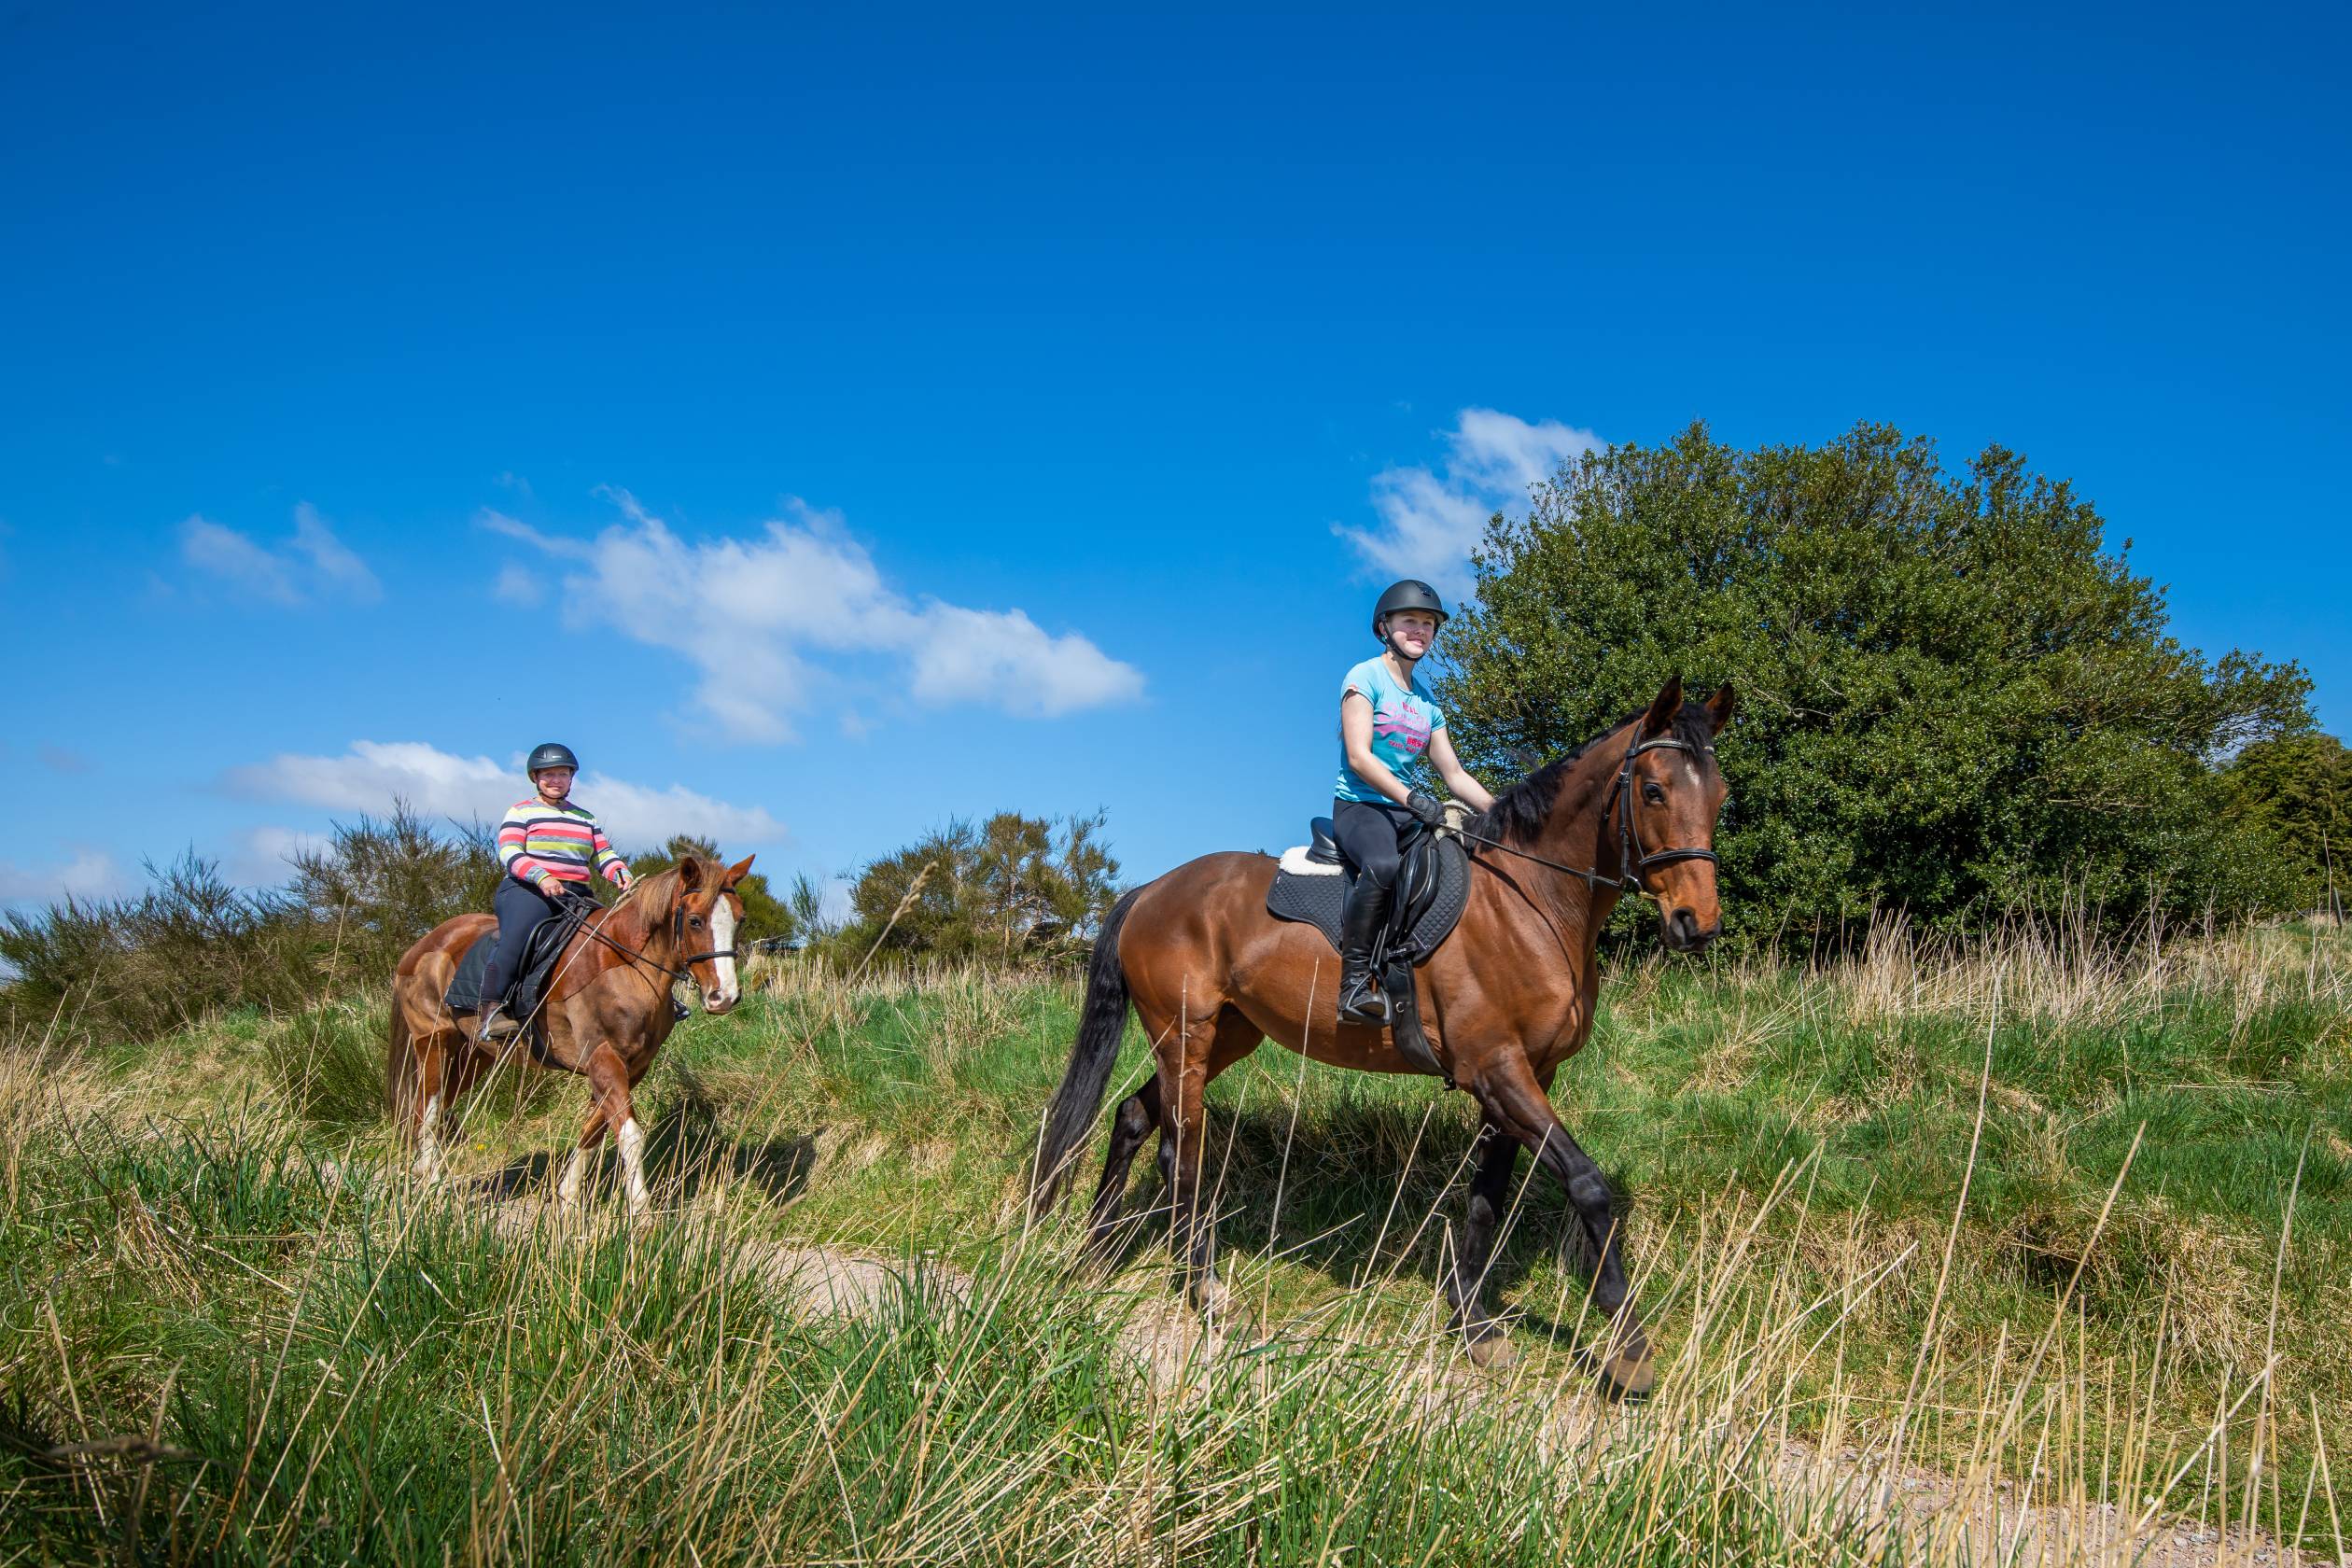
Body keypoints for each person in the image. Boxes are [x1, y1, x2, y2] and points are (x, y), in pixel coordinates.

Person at [1332, 581, 1496, 1026]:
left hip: (1406, 811)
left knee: (1453, 864)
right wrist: (1412, 797)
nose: (1420, 631)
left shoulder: (1427, 703)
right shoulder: (1363, 678)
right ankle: (1353, 986)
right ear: (1385, 626)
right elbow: (1359, 757)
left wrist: (1503, 814)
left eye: (1427, 624)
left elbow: (1455, 775)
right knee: (1384, 865)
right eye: (1410, 621)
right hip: (1361, 807)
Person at [474, 742, 632, 1043]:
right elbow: (510, 852)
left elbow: (603, 855)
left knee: (616, 935)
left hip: (575, 894)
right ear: (536, 778)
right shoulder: (521, 812)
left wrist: (621, 875)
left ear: (571, 778)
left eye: (562, 774)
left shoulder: (585, 818)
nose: (555, 780)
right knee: (517, 937)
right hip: (528, 890)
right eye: (548, 774)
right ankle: (491, 1010)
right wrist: (541, 876)